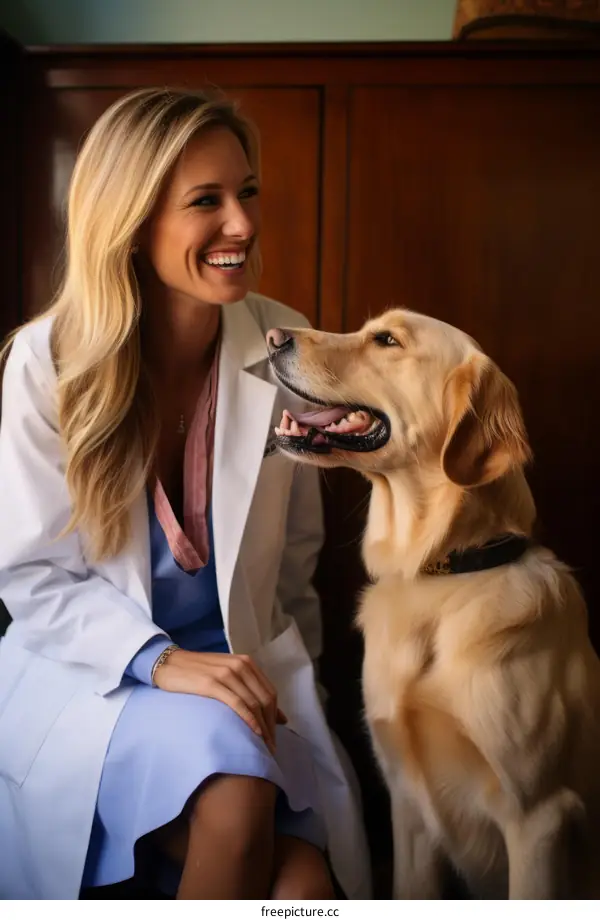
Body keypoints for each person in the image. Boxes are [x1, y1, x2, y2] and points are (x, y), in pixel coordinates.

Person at [0, 88, 371, 900]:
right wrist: (162, 660)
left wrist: (301, 692)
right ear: (132, 222)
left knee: (304, 891)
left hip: (246, 683)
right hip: (99, 680)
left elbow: (294, 564)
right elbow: (33, 576)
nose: (242, 223)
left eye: (248, 192)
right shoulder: (46, 360)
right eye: (206, 201)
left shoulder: (284, 345)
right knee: (237, 800)